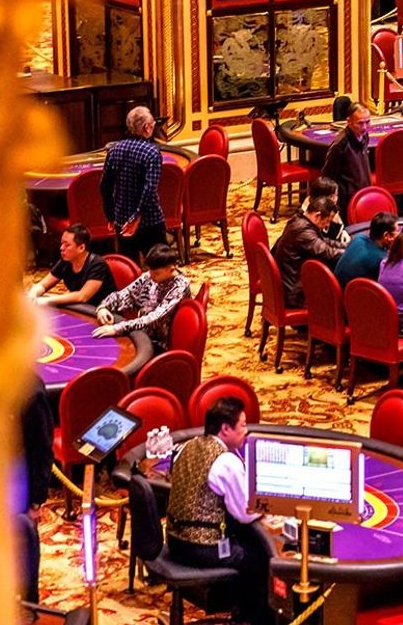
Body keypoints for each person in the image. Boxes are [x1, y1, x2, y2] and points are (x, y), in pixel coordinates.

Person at [166, 396, 273, 625]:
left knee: (246, 540)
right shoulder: (226, 462)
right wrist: (270, 504)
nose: (246, 430)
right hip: (200, 548)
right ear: (226, 428)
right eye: (243, 425)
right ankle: (255, 619)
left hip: (174, 541)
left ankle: (239, 609)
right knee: (260, 557)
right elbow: (245, 512)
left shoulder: (188, 445)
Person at [94, 244, 189, 351]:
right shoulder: (150, 276)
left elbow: (155, 318)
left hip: (160, 342)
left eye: (156, 274)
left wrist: (118, 328)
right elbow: (126, 294)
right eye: (150, 271)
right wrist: (103, 307)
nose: (151, 277)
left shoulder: (180, 287)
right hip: (141, 331)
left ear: (171, 269)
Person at [101, 105, 165, 260]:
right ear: (147, 128)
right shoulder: (151, 153)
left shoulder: (114, 150)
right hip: (149, 220)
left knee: (130, 270)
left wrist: (110, 215)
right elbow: (149, 190)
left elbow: (105, 185)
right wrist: (136, 217)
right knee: (161, 268)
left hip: (121, 219)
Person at [15, 373, 53, 606]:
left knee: (24, 557)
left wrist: (36, 501)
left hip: (19, 494)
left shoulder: (30, 389)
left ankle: (31, 608)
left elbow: (41, 450)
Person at [271, 195, 345, 307]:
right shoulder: (303, 231)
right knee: (341, 296)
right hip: (296, 293)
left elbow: (324, 241)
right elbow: (326, 252)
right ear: (317, 216)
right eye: (327, 221)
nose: (327, 225)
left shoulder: (299, 219)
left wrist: (347, 246)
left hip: (293, 282)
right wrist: (351, 254)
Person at [27, 224, 117, 306]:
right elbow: (44, 285)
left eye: (67, 245)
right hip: (81, 308)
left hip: (104, 310)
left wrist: (46, 301)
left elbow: (82, 296)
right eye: (62, 243)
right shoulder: (65, 262)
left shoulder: (98, 265)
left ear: (81, 248)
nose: (61, 248)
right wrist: (33, 293)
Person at [321, 95, 372, 216]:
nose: (364, 127)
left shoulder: (364, 136)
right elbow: (328, 175)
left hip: (362, 193)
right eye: (360, 123)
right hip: (345, 200)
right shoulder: (340, 144)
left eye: (367, 122)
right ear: (349, 122)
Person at [335, 211, 397, 287]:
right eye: (397, 231)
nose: (399, 235)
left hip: (336, 289)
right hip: (353, 295)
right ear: (387, 236)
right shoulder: (382, 260)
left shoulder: (358, 237)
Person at [303, 176, 348, 243]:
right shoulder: (308, 219)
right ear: (320, 198)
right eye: (331, 197)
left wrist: (343, 232)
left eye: (336, 195)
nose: (335, 199)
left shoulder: (329, 209)